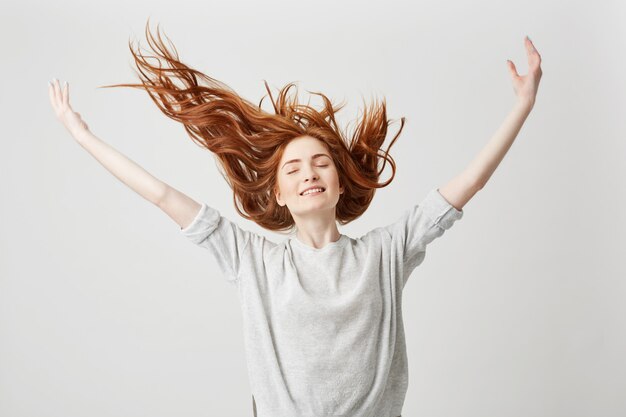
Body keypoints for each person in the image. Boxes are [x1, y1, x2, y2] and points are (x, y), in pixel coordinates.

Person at [48, 21, 542, 417]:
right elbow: (160, 194)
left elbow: (467, 186)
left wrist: (522, 105)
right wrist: (83, 136)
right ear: (279, 194)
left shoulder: (386, 253)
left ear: (341, 182)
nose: (309, 173)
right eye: (294, 168)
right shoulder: (253, 261)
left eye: (321, 162)